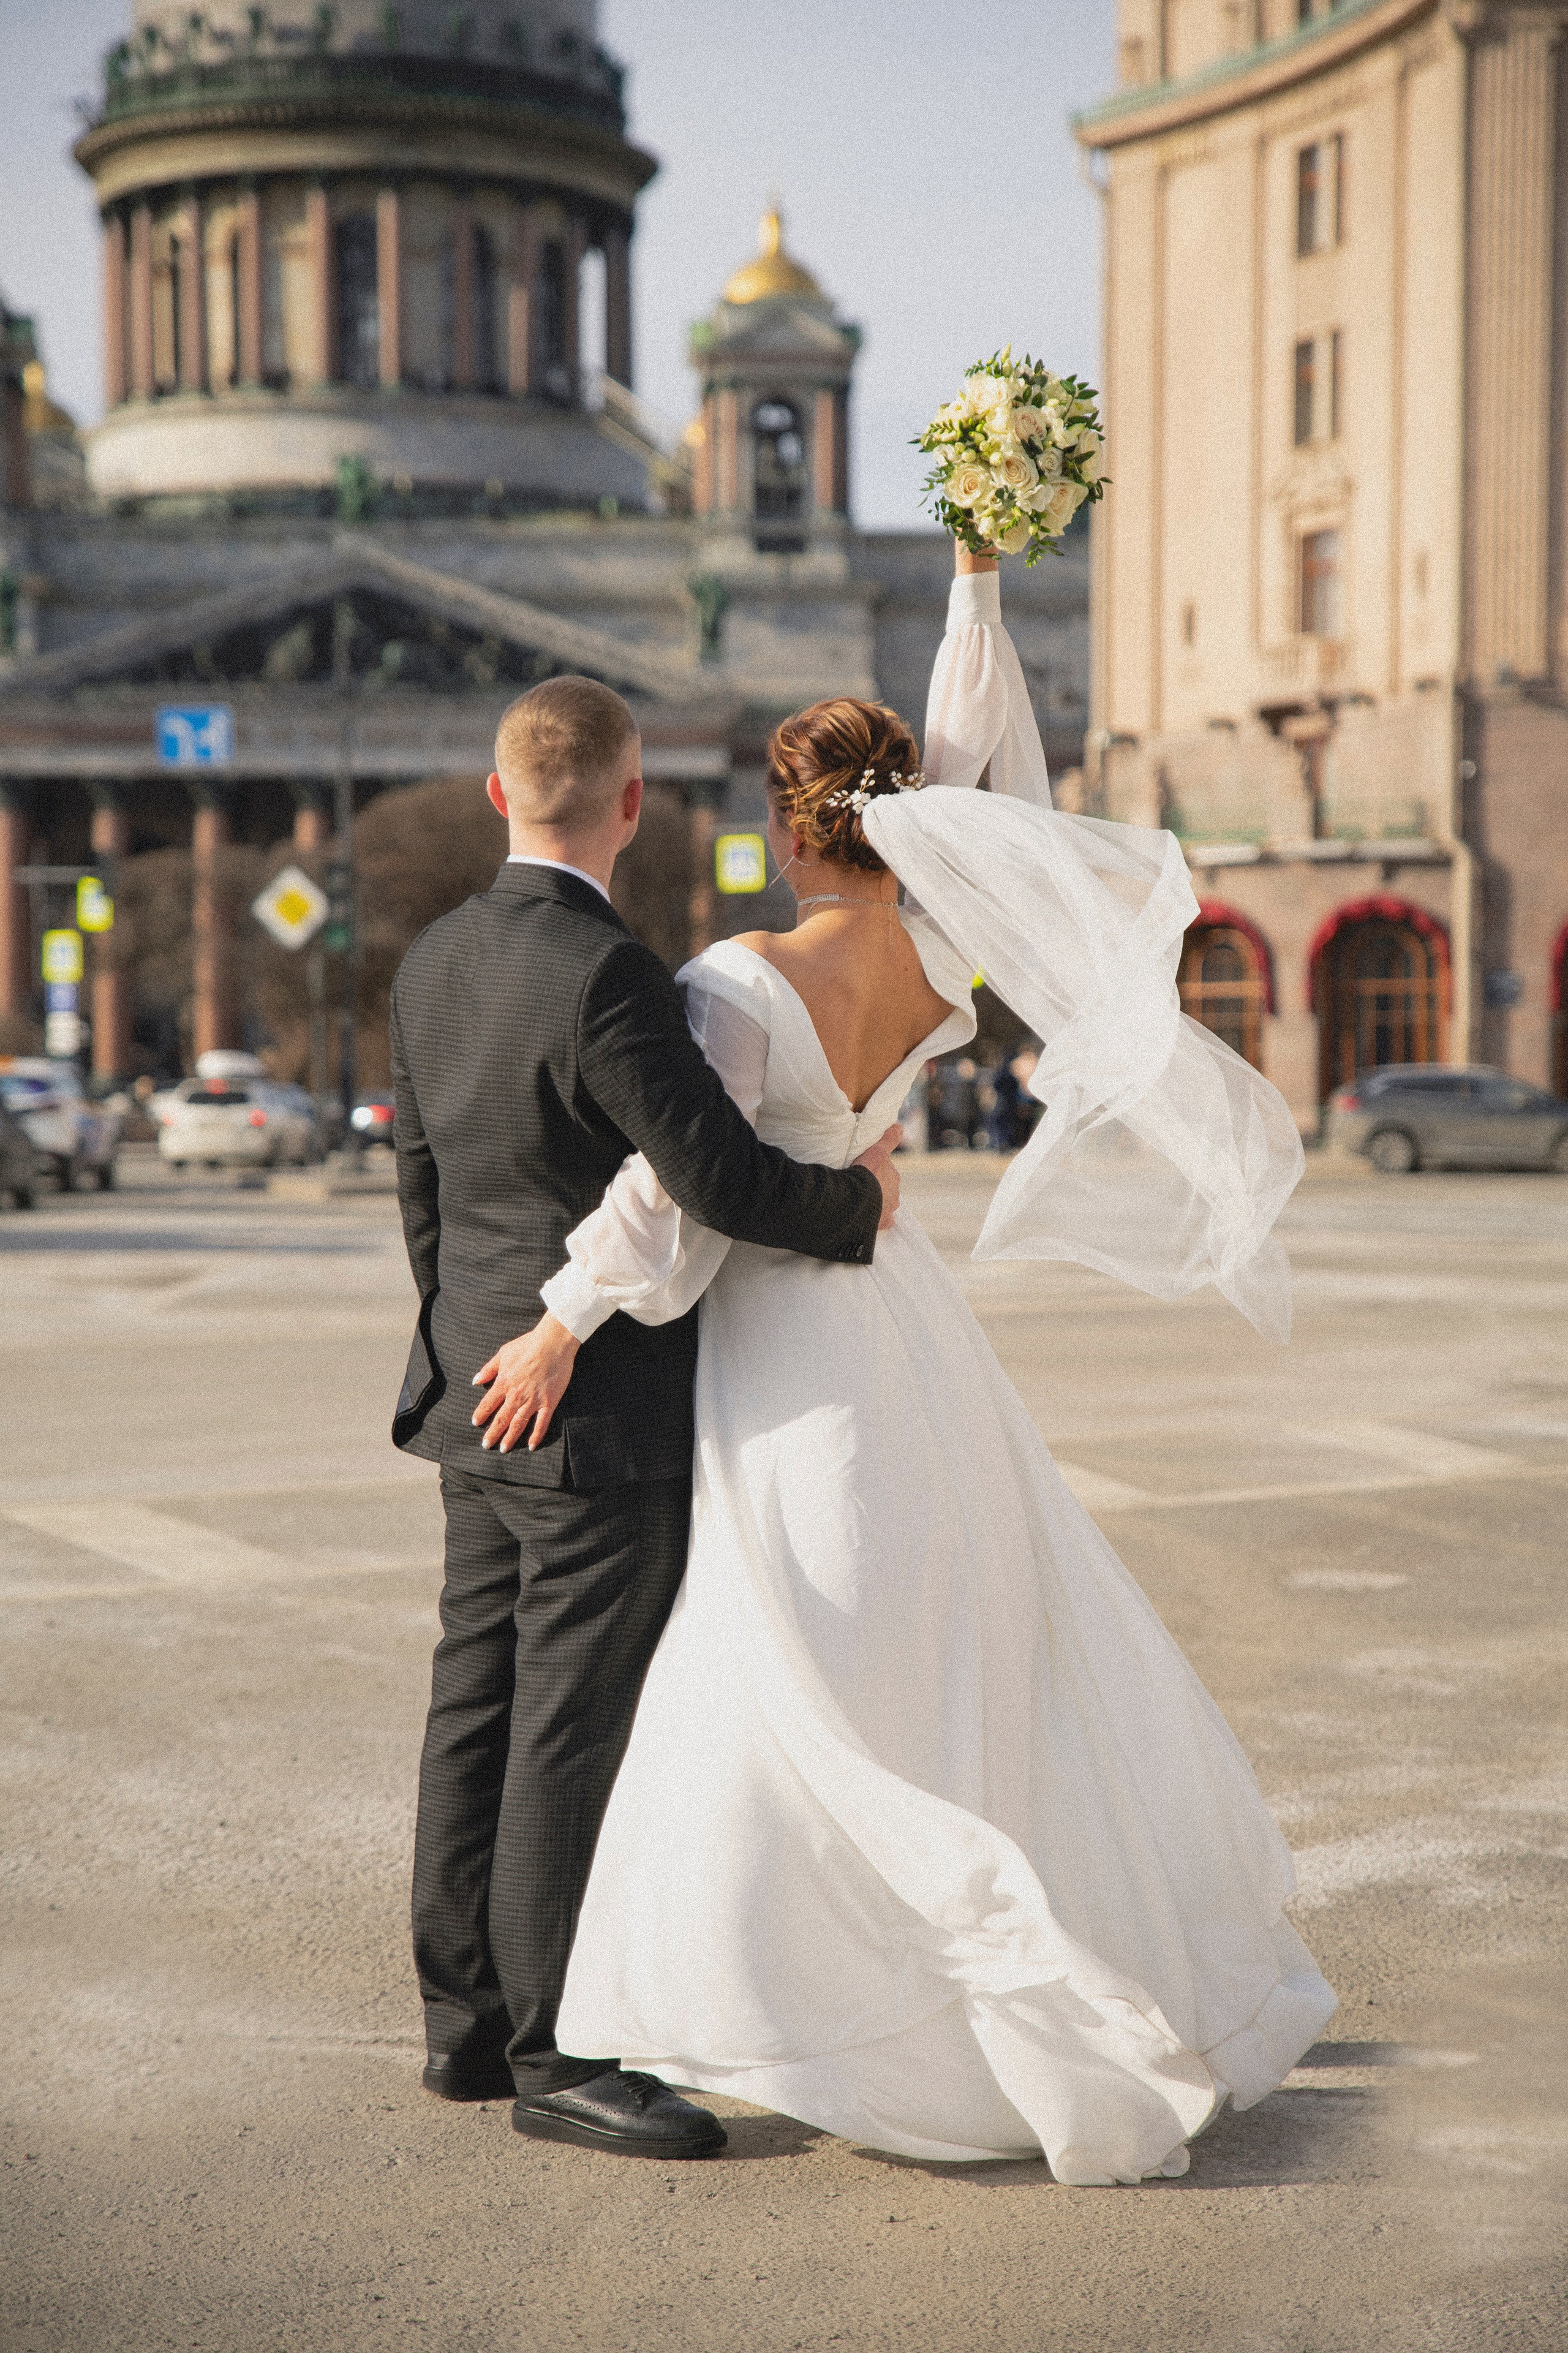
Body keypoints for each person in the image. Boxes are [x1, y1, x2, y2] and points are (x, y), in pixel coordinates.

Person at [470, 548, 1335, 2186]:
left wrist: (562, 1316)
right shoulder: (944, 964)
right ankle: (926, 1979)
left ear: (793, 826)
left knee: (790, 1658)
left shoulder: (735, 982)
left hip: (790, 1346)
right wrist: (976, 595)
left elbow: (676, 1197)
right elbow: (987, 773)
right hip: (910, 1328)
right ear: (900, 817)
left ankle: (826, 1997)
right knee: (950, 1651)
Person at [389, 674, 903, 2162]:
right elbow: (720, 1183)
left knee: (471, 1702)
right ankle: (560, 2054)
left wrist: (474, 1342)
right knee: (564, 1721)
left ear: (497, 796)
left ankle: (460, 2026)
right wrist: (858, 1203)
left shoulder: (432, 960)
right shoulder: (609, 975)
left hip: (469, 1394)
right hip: (593, 1414)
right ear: (631, 803)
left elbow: (423, 1193)